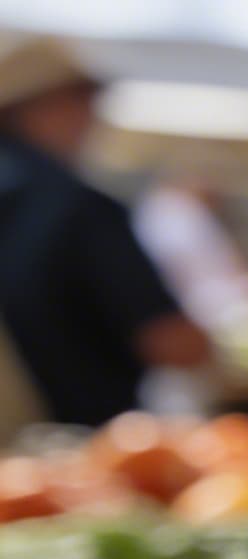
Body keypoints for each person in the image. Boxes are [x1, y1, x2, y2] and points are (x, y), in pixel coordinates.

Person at [0, 37, 211, 430]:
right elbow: (173, 342)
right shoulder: (78, 207)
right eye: (87, 101)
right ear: (50, 105)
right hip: (68, 450)